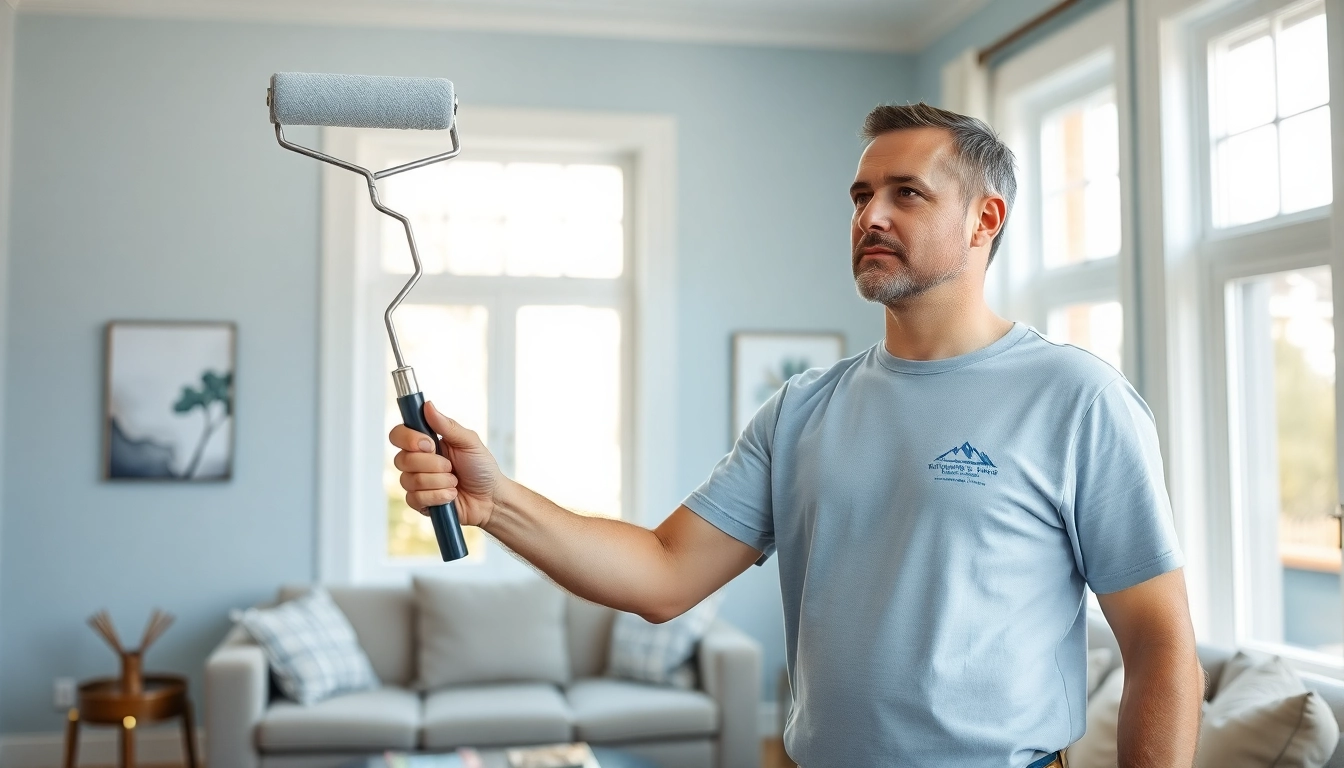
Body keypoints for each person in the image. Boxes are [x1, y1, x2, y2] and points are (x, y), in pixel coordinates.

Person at [389, 103, 1204, 767]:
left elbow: (1161, 647)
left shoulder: (1077, 398)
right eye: (860, 196)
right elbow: (662, 574)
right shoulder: (803, 409)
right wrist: (494, 502)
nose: (870, 216)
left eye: (906, 194)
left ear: (984, 218)